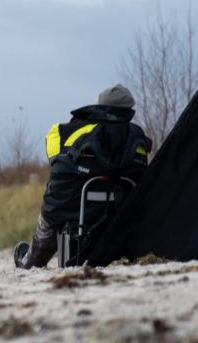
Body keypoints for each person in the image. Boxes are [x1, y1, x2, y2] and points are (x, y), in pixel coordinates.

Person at [15, 84, 151, 269]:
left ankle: (29, 262)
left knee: (51, 217)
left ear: (100, 106)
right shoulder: (138, 137)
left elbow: (55, 159)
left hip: (71, 205)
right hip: (120, 210)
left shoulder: (68, 130)